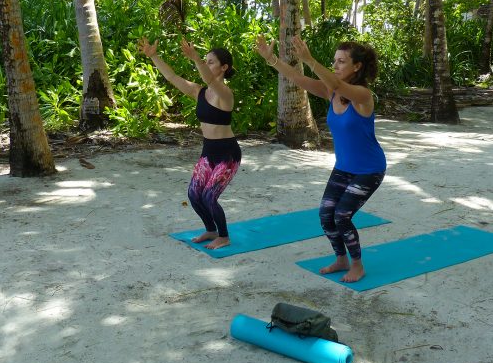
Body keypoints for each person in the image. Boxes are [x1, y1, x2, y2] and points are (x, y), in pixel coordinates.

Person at [255, 34, 386, 282]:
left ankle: (357, 265)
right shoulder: (331, 92)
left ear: (356, 66)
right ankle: (340, 259)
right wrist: (271, 59)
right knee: (326, 214)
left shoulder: (362, 96)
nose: (335, 66)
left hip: (369, 169)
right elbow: (296, 78)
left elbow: (337, 86)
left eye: (341, 62)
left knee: (342, 216)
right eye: (334, 61)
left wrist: (309, 59)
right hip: (344, 167)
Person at [138, 37, 241, 250]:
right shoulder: (199, 92)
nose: (206, 64)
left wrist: (196, 59)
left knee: (209, 196)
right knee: (194, 195)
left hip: (228, 154)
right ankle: (210, 230)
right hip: (208, 151)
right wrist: (154, 56)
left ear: (224, 67)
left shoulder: (225, 94)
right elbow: (172, 76)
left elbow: (212, 81)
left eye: (210, 62)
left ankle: (223, 236)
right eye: (205, 61)